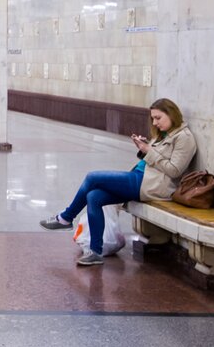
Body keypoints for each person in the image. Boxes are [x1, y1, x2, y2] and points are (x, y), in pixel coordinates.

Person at [40, 98, 197, 266]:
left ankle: (66, 218)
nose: (155, 122)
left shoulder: (184, 138)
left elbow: (174, 170)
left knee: (93, 177)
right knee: (94, 196)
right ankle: (95, 252)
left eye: (158, 118)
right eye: (153, 118)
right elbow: (154, 159)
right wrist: (143, 147)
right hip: (140, 178)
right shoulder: (165, 135)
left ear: (171, 114)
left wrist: (149, 150)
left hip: (154, 186)